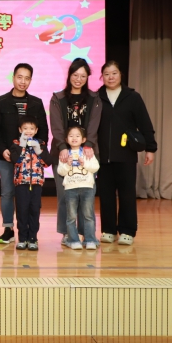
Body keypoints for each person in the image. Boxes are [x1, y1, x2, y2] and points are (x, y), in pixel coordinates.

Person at [96, 61, 157, 246]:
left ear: (120, 74)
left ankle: (127, 231)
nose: (111, 77)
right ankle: (108, 230)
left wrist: (150, 148)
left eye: (114, 73)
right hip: (103, 156)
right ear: (102, 77)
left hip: (126, 155)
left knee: (127, 194)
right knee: (106, 195)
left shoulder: (133, 97)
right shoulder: (96, 97)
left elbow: (145, 123)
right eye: (107, 74)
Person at [0, 63, 47, 245]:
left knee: (28, 199)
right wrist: (2, 149)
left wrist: (38, 150)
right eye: (19, 77)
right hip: (6, 157)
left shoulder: (36, 103)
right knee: (7, 193)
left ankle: (29, 233)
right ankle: (8, 229)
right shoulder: (2, 101)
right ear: (13, 77)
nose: (23, 81)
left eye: (27, 78)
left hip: (30, 161)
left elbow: (44, 131)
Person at [49, 58, 101, 247]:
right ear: (69, 75)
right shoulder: (58, 98)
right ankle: (67, 234)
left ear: (87, 78)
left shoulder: (94, 98)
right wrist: (63, 147)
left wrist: (88, 145)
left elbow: (94, 124)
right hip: (62, 154)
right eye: (75, 75)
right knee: (65, 196)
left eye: (83, 76)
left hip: (87, 154)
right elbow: (56, 126)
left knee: (86, 196)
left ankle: (86, 234)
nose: (78, 79)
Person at [11, 117, 52, 251]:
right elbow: (14, 160)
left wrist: (39, 151)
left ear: (36, 130)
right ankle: (22, 238)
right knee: (22, 210)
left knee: (34, 210)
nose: (28, 131)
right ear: (20, 130)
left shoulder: (41, 144)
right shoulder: (16, 144)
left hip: (36, 183)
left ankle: (33, 238)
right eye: (25, 128)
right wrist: (22, 146)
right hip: (21, 182)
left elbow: (47, 162)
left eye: (31, 129)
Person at [57, 126, 101, 250]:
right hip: (70, 188)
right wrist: (67, 164)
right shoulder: (65, 154)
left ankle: (90, 240)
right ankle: (73, 240)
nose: (74, 138)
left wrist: (84, 163)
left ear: (83, 139)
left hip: (87, 187)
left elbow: (95, 167)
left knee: (88, 215)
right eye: (71, 136)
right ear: (66, 139)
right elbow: (60, 171)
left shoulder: (88, 152)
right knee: (71, 217)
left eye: (77, 136)